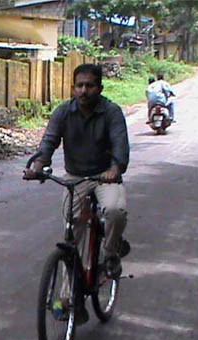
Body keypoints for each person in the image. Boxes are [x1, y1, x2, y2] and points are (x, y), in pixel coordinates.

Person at [24, 63, 130, 325]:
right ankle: (68, 297)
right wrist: (38, 165)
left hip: (105, 176)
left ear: (100, 88)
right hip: (75, 178)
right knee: (73, 233)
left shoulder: (112, 112)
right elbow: (48, 142)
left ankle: (111, 254)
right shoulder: (63, 112)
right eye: (79, 85)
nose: (84, 91)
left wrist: (115, 169)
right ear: (73, 88)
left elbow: (120, 148)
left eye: (90, 85)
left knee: (115, 211)